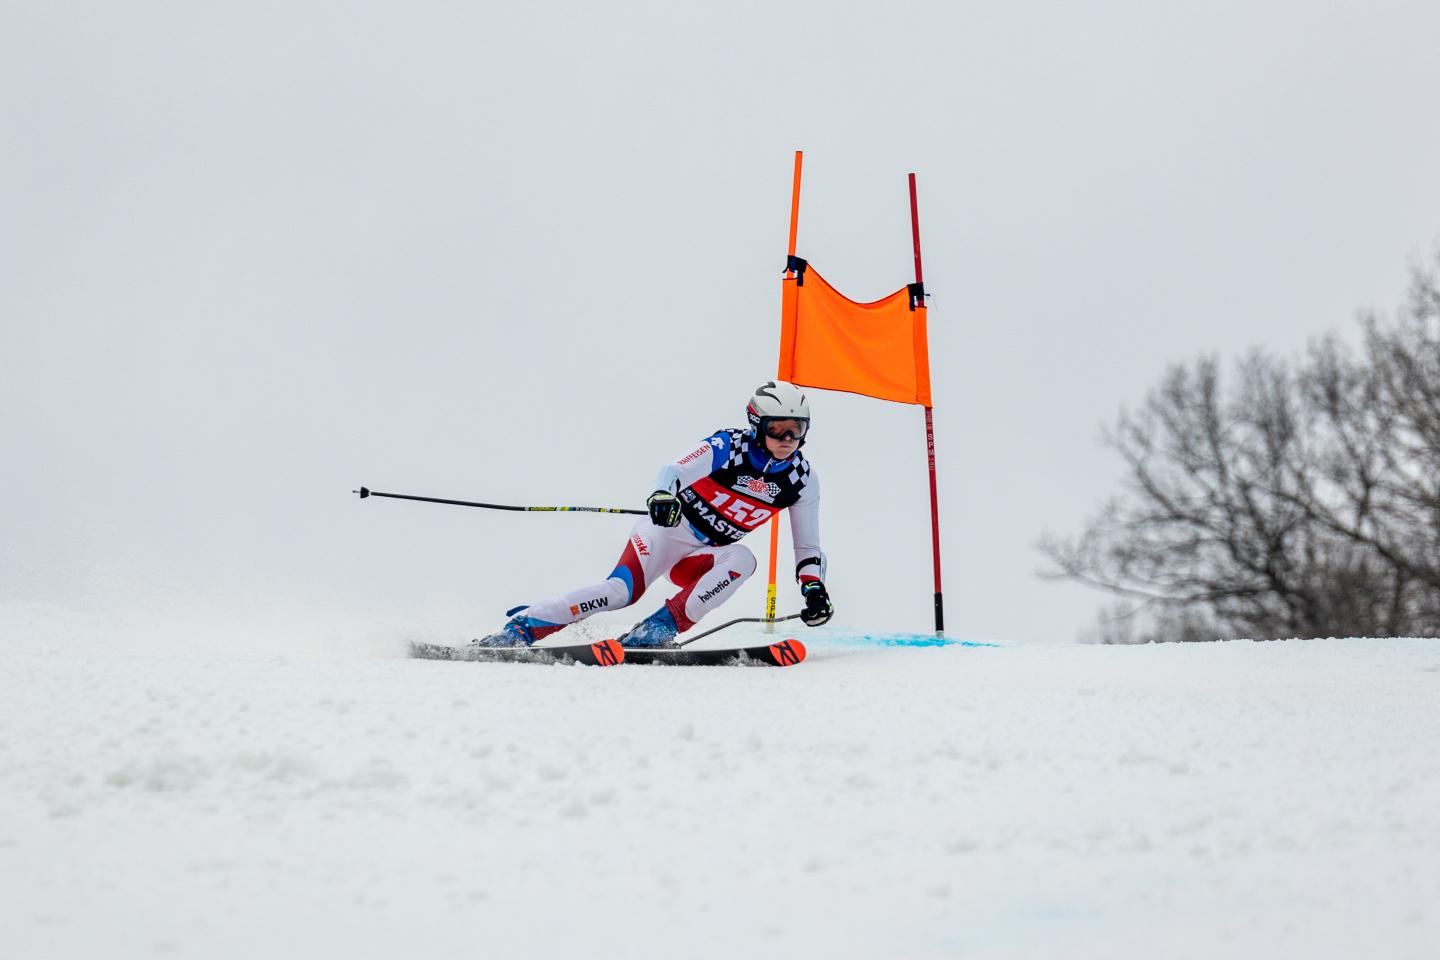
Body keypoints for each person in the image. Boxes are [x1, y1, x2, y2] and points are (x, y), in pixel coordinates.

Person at [482, 380, 833, 648]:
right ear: (758, 425)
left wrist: (813, 587)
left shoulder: (801, 480)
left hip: (702, 556)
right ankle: (525, 626)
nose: (787, 438)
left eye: (796, 429)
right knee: (621, 592)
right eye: (777, 428)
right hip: (667, 532)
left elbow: (807, 547)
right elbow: (674, 470)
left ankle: (657, 630)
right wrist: (664, 494)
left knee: (743, 559)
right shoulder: (729, 447)